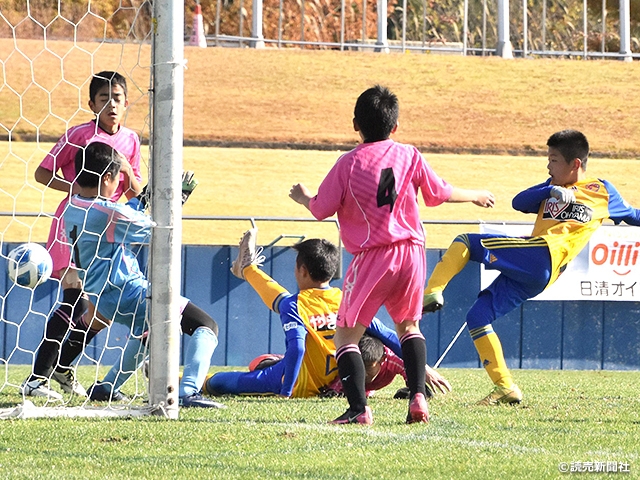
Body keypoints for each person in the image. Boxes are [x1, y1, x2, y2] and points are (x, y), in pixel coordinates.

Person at [289, 85, 494, 424]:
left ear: (356, 125)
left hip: (374, 256)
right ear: (395, 126)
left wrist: (303, 197)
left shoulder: (348, 163)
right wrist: (475, 194)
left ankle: (358, 410)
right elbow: (438, 193)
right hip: (413, 253)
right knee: (409, 327)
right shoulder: (409, 155)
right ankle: (417, 399)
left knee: (345, 335)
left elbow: (321, 209)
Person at [422, 129, 640, 405]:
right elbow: (518, 202)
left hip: (543, 256)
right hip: (537, 271)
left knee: (466, 241)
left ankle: (432, 291)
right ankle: (505, 388)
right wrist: (550, 190)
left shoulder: (603, 191)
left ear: (575, 164)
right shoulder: (551, 187)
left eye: (553, 160)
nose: (548, 165)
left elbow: (633, 215)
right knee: (478, 316)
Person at [61, 141, 223, 408]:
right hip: (128, 289)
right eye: (118, 179)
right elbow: (157, 230)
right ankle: (188, 391)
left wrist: (147, 195)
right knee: (206, 326)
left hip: (102, 296)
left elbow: (124, 212)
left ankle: (107, 387)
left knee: (147, 334)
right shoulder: (107, 212)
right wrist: (176, 202)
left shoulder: (73, 207)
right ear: (108, 178)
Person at [203, 228, 451, 400]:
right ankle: (248, 269)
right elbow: (389, 335)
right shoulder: (346, 299)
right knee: (283, 303)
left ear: (301, 270)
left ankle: (247, 269)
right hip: (336, 376)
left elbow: (298, 349)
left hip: (302, 382)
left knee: (220, 383)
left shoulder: (295, 304)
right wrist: (423, 367)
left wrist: (286, 390)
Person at [21, 71, 143, 400]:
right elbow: (42, 172)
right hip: (74, 225)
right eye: (104, 99)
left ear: (127, 103)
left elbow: (135, 192)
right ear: (92, 104)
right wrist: (76, 188)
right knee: (75, 299)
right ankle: (36, 379)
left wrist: (130, 173)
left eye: (117, 99)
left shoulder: (131, 141)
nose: (112, 105)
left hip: (109, 230)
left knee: (96, 310)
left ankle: (62, 368)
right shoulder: (78, 136)